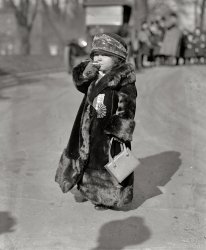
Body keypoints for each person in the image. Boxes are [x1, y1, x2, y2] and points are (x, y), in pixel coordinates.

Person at [56, 33, 137, 210]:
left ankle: (107, 197)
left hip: (107, 131)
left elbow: (127, 108)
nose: (98, 58)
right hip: (86, 125)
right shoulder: (95, 74)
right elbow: (81, 85)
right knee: (86, 157)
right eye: (95, 55)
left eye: (104, 55)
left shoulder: (123, 80)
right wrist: (85, 74)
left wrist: (119, 132)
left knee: (104, 162)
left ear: (117, 59)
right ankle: (86, 189)